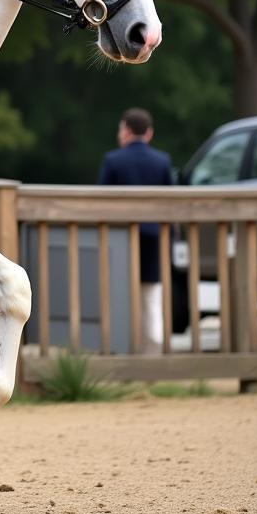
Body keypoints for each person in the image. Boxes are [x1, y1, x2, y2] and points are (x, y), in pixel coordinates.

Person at [98, 107, 174, 354]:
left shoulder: (113, 160)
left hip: (119, 239)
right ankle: (153, 352)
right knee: (151, 296)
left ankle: (120, 348)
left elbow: (99, 202)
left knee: (120, 294)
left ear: (126, 131)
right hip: (155, 239)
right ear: (149, 133)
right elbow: (171, 203)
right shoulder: (163, 161)